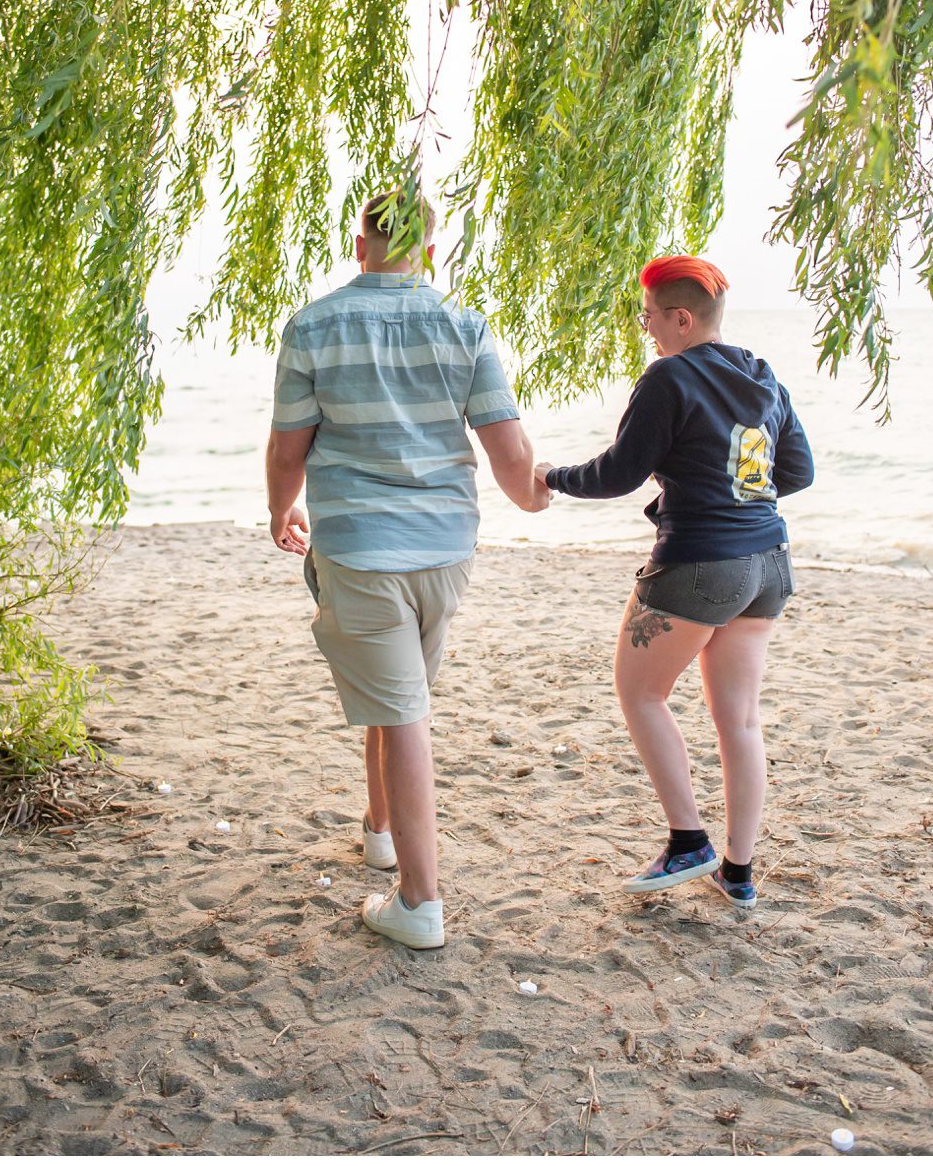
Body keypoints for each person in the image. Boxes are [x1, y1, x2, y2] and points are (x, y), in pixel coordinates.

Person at [267, 186, 552, 950]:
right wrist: (534, 497)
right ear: (429, 249)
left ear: (360, 244)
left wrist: (279, 509)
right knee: (398, 697)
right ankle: (380, 831)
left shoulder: (313, 325)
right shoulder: (465, 326)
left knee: (403, 711)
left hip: (360, 547)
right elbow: (508, 450)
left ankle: (421, 904)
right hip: (445, 547)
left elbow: (289, 445)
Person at [537, 256, 813, 910]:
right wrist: (735, 490)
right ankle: (738, 873)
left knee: (640, 693)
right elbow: (795, 472)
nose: (646, 330)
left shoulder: (669, 376)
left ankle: (689, 840)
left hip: (699, 561)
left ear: (681, 319)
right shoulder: (762, 375)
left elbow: (619, 473)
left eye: (650, 318)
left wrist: (549, 476)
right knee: (739, 719)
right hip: (767, 564)